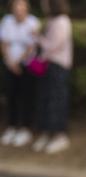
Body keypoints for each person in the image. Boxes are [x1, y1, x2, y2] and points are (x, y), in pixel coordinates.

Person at [31, 0, 72, 154]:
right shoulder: (51, 20)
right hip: (47, 66)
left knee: (57, 100)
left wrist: (37, 38)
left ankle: (59, 135)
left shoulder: (62, 21)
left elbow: (53, 46)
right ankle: (47, 132)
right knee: (45, 99)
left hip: (58, 66)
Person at [0, 0, 40, 147]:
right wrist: (10, 62)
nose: (19, 10)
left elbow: (31, 46)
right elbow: (4, 43)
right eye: (16, 7)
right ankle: (11, 126)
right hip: (9, 64)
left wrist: (18, 62)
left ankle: (25, 127)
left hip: (26, 65)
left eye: (22, 7)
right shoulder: (7, 21)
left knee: (26, 96)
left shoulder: (32, 22)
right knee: (11, 95)